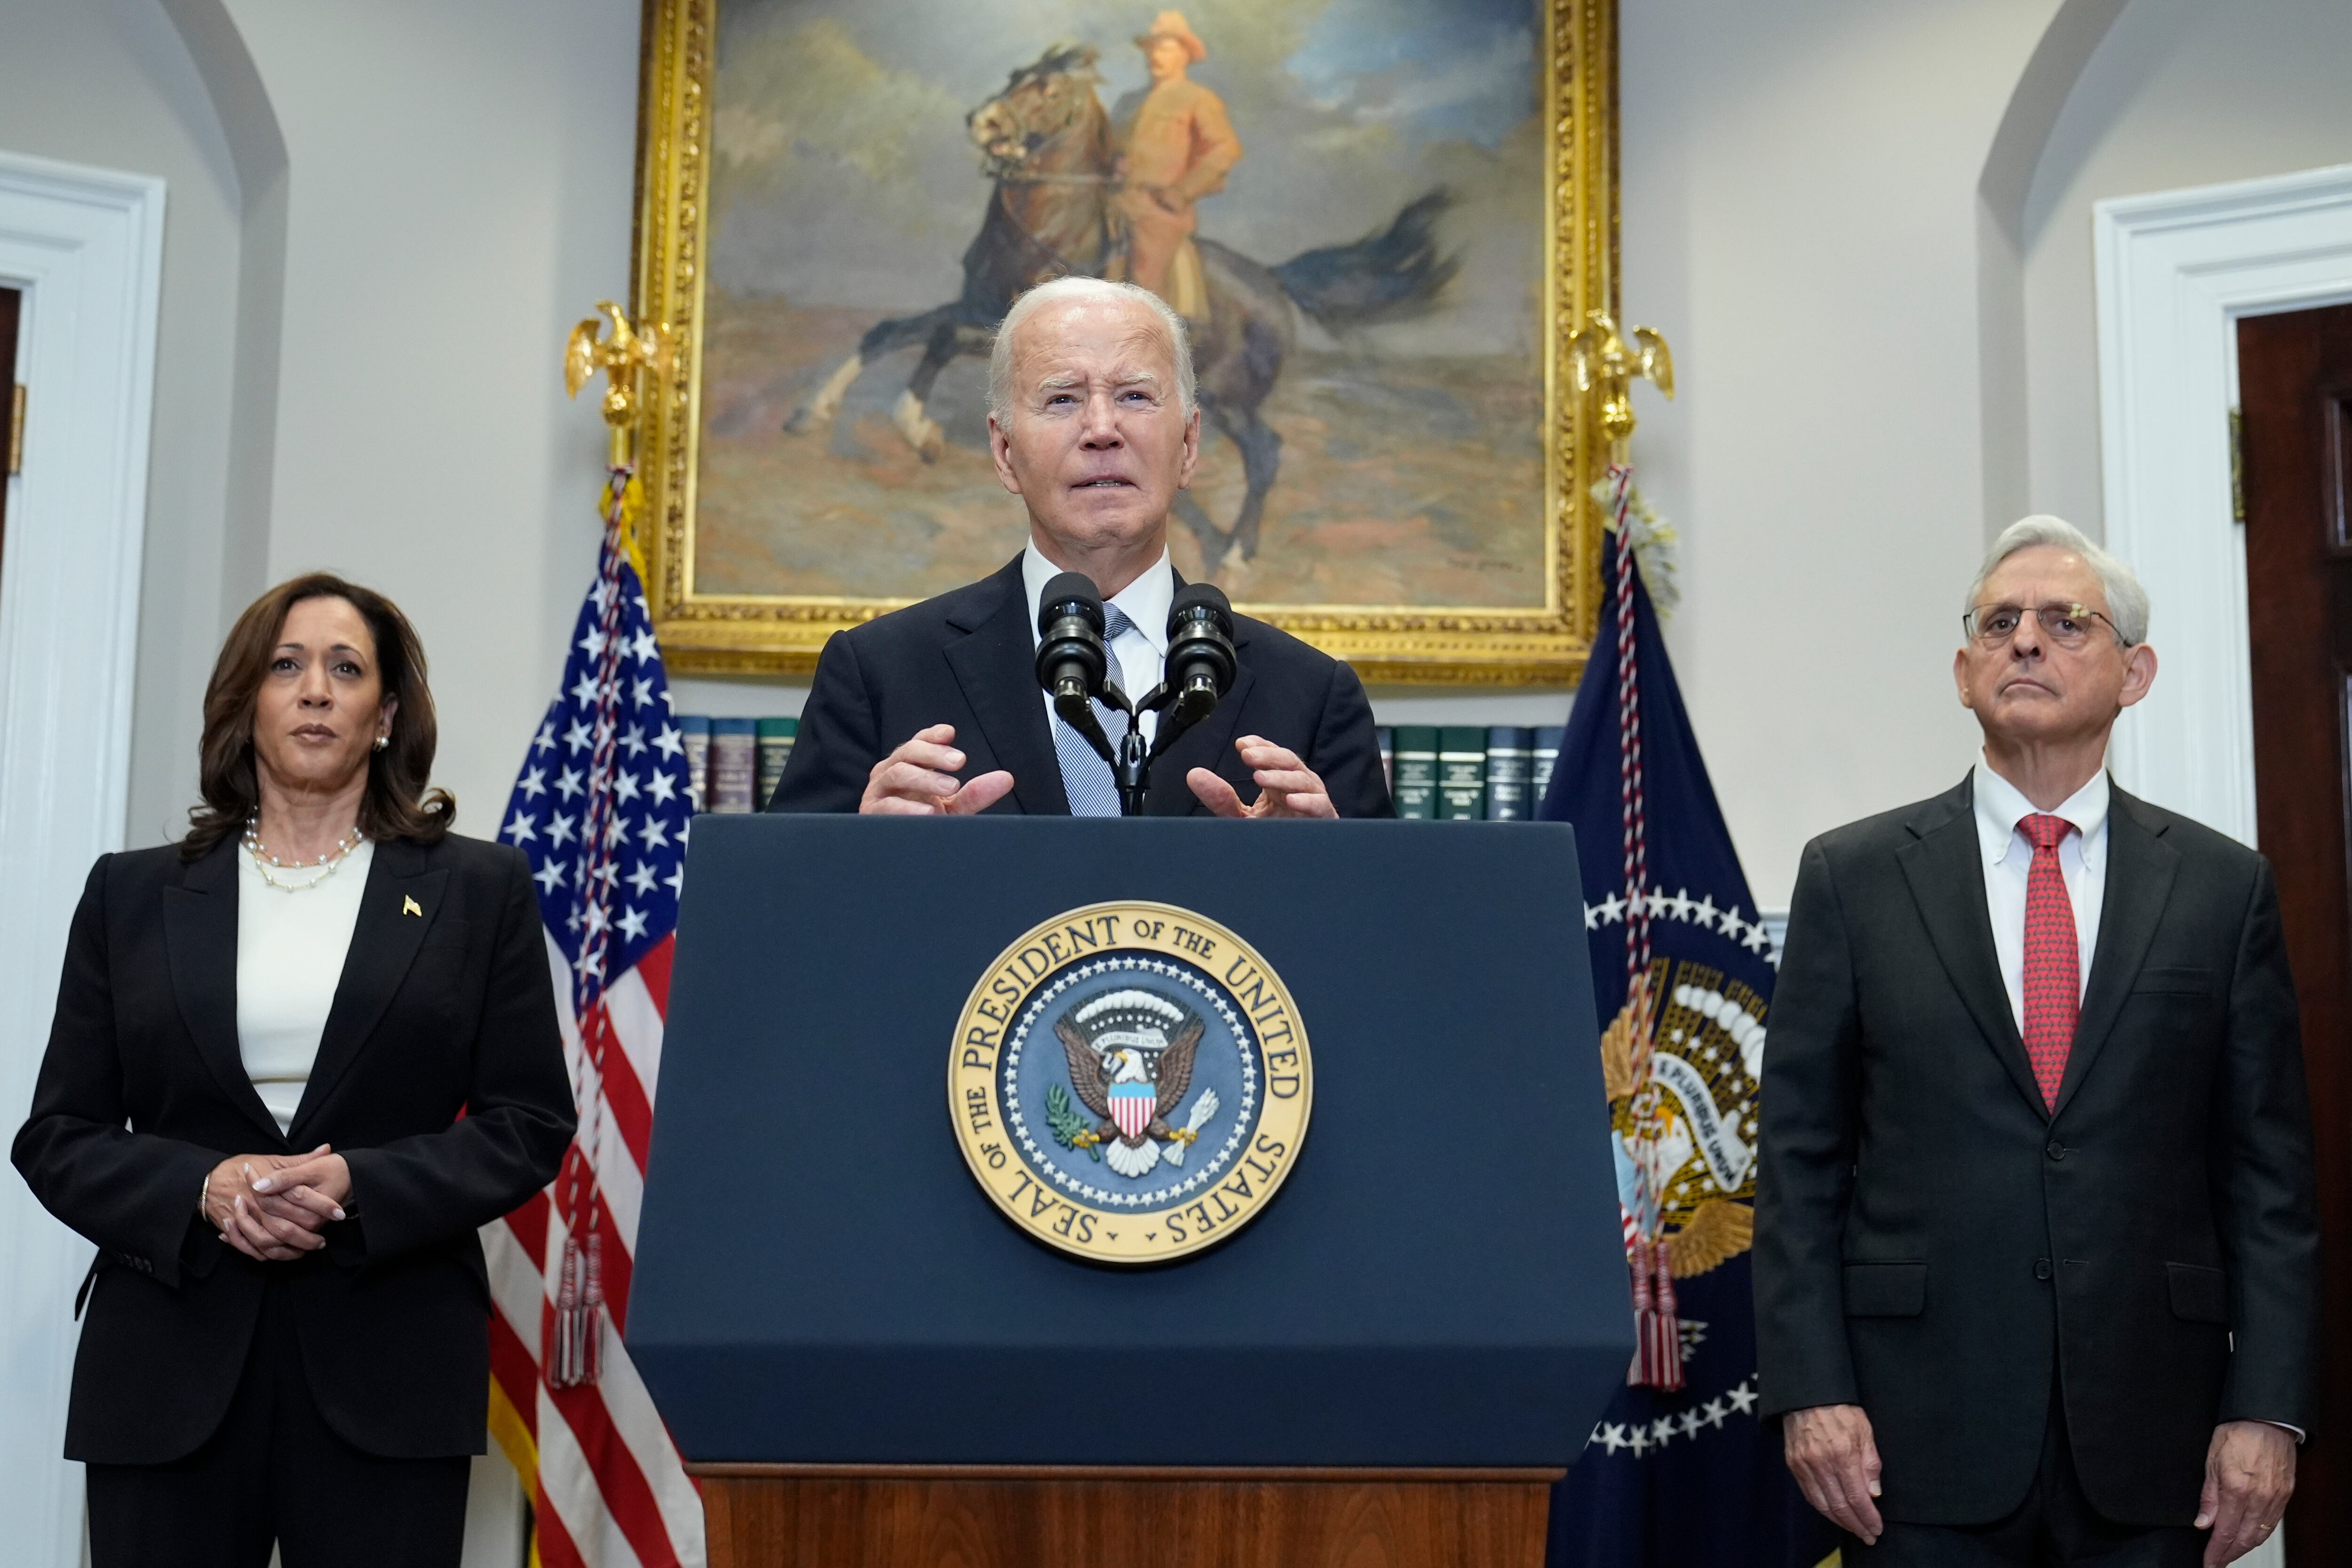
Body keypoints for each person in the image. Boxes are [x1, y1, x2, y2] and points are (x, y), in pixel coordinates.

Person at [1755, 517, 2318, 1568]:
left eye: (2066, 621)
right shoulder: (1853, 877)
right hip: (1909, 1437)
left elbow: (2267, 1177)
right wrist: (1810, 1387)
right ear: (1963, 670)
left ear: (2135, 673)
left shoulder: (2221, 887)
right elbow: (1799, 1161)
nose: (2025, 639)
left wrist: (2268, 1406)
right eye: (1999, 621)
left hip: (2156, 1434)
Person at [12, 575, 576, 1568]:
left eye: (346, 668)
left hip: (390, 1359)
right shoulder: (130, 894)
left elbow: (528, 1122)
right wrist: (204, 1185)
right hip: (168, 1364)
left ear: (386, 715)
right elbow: (58, 1136)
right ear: (247, 702)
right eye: (287, 665)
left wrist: (361, 1181)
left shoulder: (479, 890)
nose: (316, 688)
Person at [767, 274, 1387, 819]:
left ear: (1189, 446)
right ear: (1004, 452)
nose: (1101, 429)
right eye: (1061, 398)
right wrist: (862, 855)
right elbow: (786, 906)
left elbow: (1378, 912)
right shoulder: (879, 674)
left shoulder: (1312, 695)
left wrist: (1315, 867)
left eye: (1134, 396)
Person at [1110, 10, 1240, 317]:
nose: (1155, 56)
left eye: (1166, 49)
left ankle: (1150, 332)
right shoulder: (1127, 102)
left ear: (1185, 55)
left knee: (1144, 280)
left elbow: (1225, 149)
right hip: (1113, 202)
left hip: (1159, 210)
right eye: (1151, 49)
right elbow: (1107, 149)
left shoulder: (1198, 99)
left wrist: (1182, 192)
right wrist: (1114, 163)